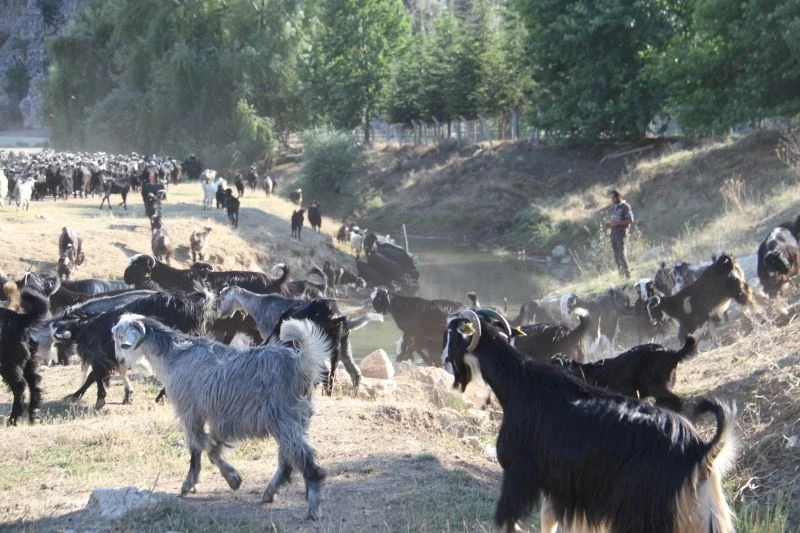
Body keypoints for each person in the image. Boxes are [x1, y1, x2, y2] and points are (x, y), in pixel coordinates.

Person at [607, 189, 634, 279]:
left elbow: (630, 220)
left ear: (618, 197)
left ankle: (627, 275)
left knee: (621, 255)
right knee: (616, 256)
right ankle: (621, 276)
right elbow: (616, 220)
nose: (612, 200)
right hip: (614, 234)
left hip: (621, 234)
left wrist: (617, 224)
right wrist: (610, 224)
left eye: (613, 198)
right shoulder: (615, 207)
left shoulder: (625, 207)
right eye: (611, 198)